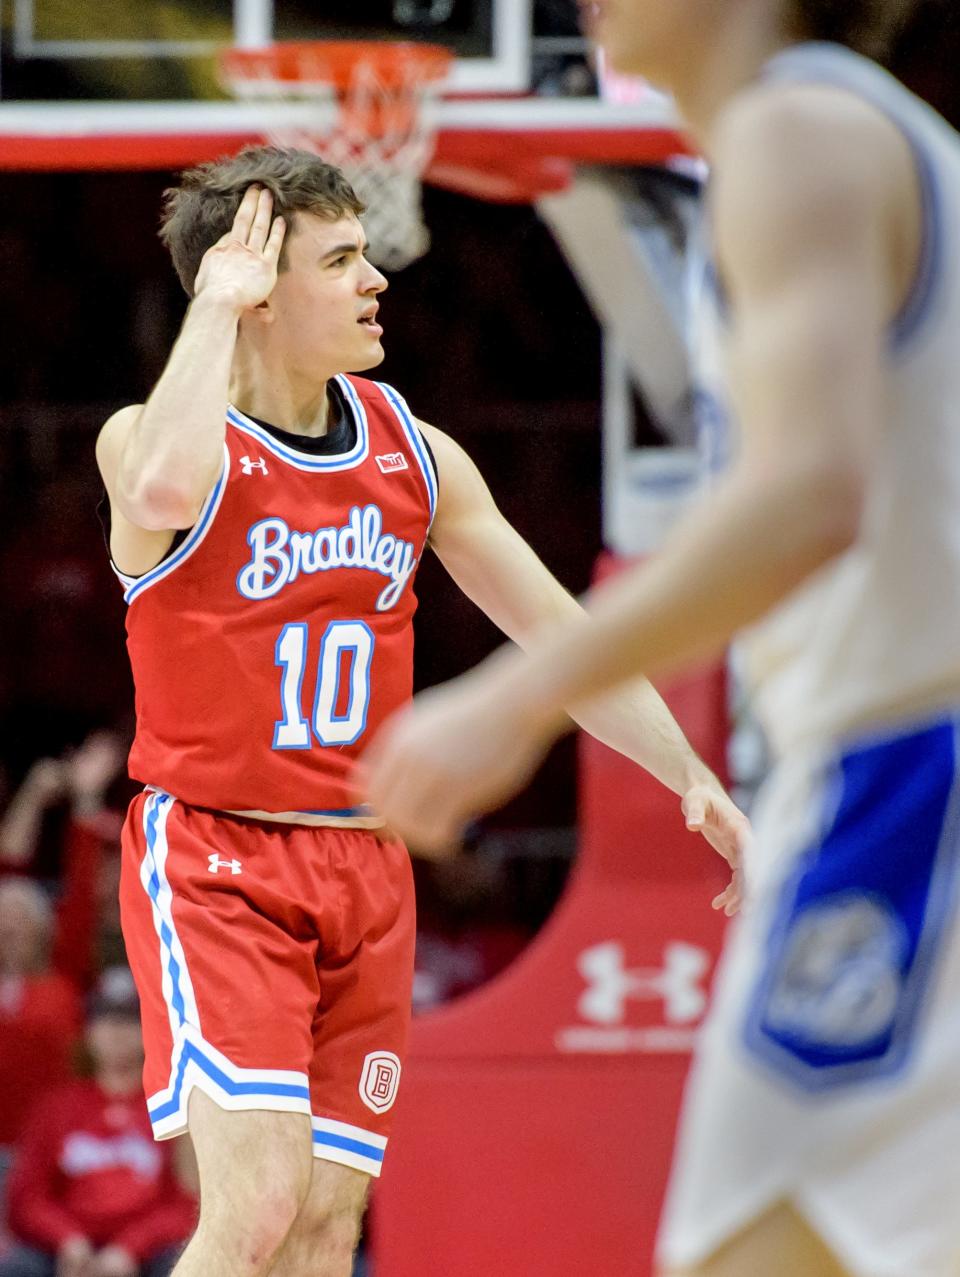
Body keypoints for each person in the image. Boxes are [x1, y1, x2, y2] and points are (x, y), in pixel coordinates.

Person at [363, 2, 960, 1275]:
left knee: (754, 1246)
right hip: (882, 761)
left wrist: (512, 698)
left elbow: (808, 494)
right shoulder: (833, 137)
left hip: (919, 770)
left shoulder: (801, 134)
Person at [93, 146, 748, 1277]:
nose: (374, 278)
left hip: (367, 874)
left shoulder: (413, 451)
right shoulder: (149, 446)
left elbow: (563, 636)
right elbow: (159, 489)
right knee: (251, 1211)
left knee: (324, 1230)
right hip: (219, 862)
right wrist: (212, 309)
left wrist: (686, 769)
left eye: (366, 252)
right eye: (340, 259)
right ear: (251, 286)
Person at [1, 968, 195, 1277]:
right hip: (66, 1250)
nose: (116, 1032)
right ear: (88, 1031)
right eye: (104, 1020)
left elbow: (186, 1203)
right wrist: (67, 1239)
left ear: (152, 1030)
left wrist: (131, 1247)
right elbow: (26, 1198)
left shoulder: (172, 1107)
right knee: (18, 1268)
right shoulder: (57, 1106)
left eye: (130, 1020)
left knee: (187, 1264)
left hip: (146, 1252)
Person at [0, 879, 82, 1152]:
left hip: (37, 1140)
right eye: (3, 921)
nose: (9, 930)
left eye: (20, 920)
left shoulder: (60, 994)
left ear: (42, 931)